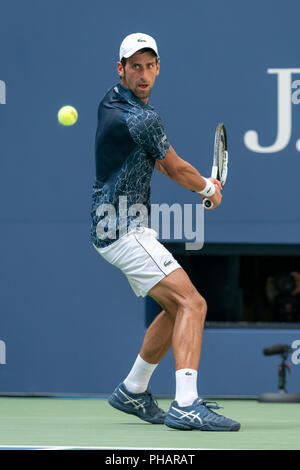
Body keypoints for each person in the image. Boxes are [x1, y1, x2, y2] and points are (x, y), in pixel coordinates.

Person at [91, 33, 240, 431]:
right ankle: (186, 403)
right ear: (120, 68)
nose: (142, 75)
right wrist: (209, 189)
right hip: (124, 229)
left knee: (175, 308)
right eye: (134, 66)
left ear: (158, 68)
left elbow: (156, 159)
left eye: (148, 66)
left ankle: (133, 389)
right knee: (194, 304)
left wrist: (199, 183)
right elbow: (173, 167)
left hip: (112, 225)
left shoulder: (112, 102)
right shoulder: (142, 117)